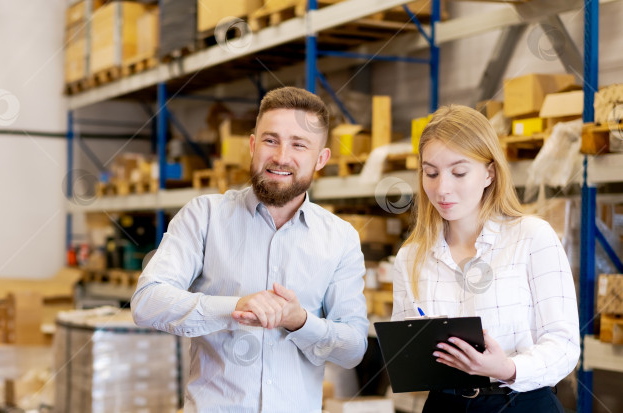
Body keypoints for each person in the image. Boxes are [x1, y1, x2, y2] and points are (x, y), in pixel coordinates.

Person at [131, 86, 369, 413]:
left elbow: (353, 348)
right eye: (271, 140)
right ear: (253, 145)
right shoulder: (204, 216)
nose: (282, 157)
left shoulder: (340, 238)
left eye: (299, 145)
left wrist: (300, 321)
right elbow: (147, 302)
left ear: (321, 159)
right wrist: (234, 307)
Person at [391, 104, 580, 412]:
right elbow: (407, 352)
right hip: (444, 405)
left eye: (459, 172)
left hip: (520, 403)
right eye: (431, 173)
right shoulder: (411, 257)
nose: (442, 188)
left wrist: (505, 368)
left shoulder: (532, 237)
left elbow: (564, 345)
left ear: (489, 173)